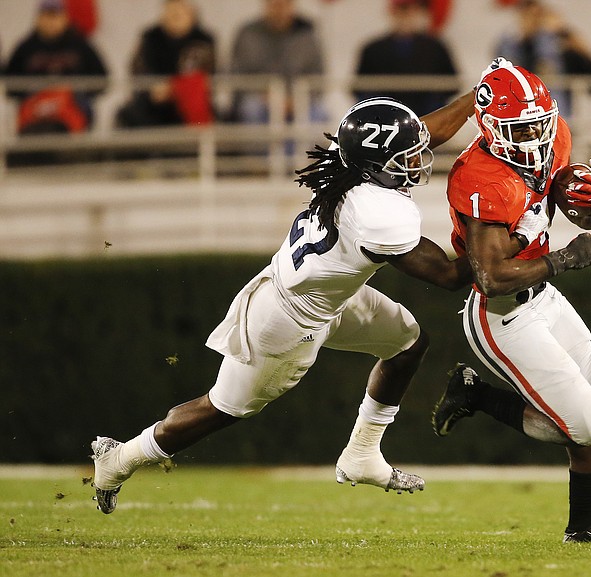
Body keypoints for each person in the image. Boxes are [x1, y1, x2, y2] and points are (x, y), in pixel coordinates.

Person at [91, 90, 491, 514]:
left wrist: (479, 94)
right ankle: (119, 460)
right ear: (377, 167)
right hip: (287, 319)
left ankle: (362, 454)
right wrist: (506, 230)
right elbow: (449, 276)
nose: (417, 159)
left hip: (327, 295)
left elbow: (423, 132)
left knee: (408, 342)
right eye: (405, 158)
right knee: (222, 408)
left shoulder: (350, 157)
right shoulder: (378, 213)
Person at [431, 58, 591, 544]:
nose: (535, 138)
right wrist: (567, 258)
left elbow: (565, 194)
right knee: (586, 422)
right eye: (520, 129)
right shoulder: (480, 175)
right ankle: (581, 528)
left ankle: (475, 396)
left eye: (539, 125)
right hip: (501, 315)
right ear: (490, 126)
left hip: (541, 296)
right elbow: (489, 278)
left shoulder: (556, 136)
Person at [5, 0, 107, 134]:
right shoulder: (26, 47)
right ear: (38, 18)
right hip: (34, 111)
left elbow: (102, 78)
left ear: (65, 18)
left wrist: (73, 90)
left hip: (72, 107)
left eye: (55, 16)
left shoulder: (80, 44)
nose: (51, 22)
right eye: (47, 16)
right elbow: (10, 84)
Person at [115, 0, 215, 128]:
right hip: (153, 101)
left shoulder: (204, 39)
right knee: (128, 114)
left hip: (190, 100)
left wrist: (173, 89)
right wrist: (155, 88)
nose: (176, 16)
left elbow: (203, 73)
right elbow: (139, 70)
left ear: (192, 13)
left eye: (180, 12)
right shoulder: (150, 38)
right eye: (171, 12)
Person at [493, 0, 591, 118]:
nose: (535, 22)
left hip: (558, 112)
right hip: (522, 116)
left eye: (538, 17)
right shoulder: (511, 44)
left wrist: (565, 33)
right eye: (529, 16)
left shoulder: (557, 44)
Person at [354, 0, 458, 117]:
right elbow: (359, 86)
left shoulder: (436, 47)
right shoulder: (372, 49)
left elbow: (452, 83)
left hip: (426, 117)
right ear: (393, 12)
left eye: (413, 9)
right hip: (384, 118)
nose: (408, 15)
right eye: (403, 9)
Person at [228, 0, 325, 125]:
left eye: (284, 4)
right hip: (259, 99)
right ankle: (261, 145)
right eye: (275, 4)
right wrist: (266, 97)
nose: (279, 10)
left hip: (299, 99)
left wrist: (294, 100)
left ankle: (306, 146)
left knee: (319, 114)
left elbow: (317, 77)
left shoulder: (307, 34)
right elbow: (237, 76)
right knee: (251, 109)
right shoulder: (248, 34)